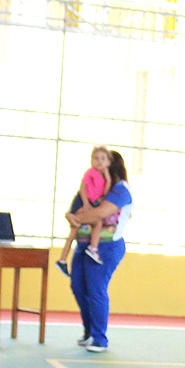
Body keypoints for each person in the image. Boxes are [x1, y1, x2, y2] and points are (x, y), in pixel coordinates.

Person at [66, 150, 133, 353]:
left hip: (106, 246)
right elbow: (77, 205)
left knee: (96, 288)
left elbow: (100, 213)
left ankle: (99, 338)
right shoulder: (96, 185)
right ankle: (89, 330)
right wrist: (70, 214)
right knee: (78, 286)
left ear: (112, 166)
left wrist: (76, 218)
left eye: (104, 162)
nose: (98, 165)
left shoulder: (121, 190)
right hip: (83, 245)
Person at [56, 145, 112, 276]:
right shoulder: (90, 172)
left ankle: (63, 259)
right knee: (88, 224)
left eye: (103, 159)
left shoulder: (103, 177)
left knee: (78, 229)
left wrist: (107, 176)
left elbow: (105, 192)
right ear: (91, 160)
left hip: (91, 203)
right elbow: (83, 188)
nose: (99, 162)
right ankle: (91, 249)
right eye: (96, 158)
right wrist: (86, 203)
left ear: (108, 162)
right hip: (82, 201)